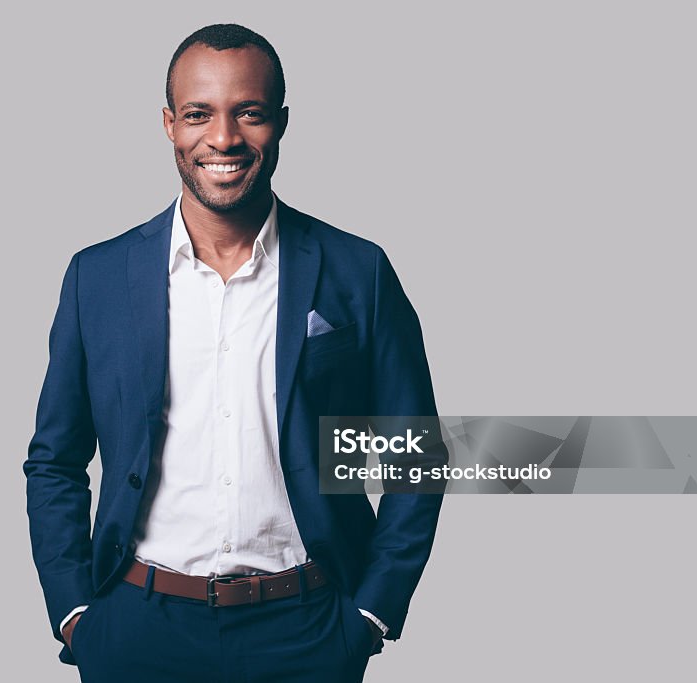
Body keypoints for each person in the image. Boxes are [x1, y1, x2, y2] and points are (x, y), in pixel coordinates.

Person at [24, 23, 445, 683]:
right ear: (169, 124)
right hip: (137, 628)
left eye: (248, 113)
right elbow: (54, 458)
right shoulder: (96, 277)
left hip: (307, 628)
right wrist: (76, 610)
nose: (223, 138)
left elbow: (415, 452)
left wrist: (372, 612)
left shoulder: (357, 270)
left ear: (280, 123)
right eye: (199, 114)